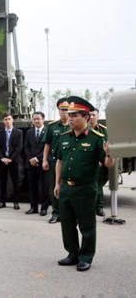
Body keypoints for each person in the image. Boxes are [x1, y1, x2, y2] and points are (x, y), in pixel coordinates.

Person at [54, 96, 114, 272]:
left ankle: (86, 257)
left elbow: (108, 164)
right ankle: (72, 254)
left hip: (85, 188)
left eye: (74, 115)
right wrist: (57, 184)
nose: (69, 118)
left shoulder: (97, 139)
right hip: (66, 187)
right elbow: (59, 162)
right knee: (67, 223)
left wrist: (110, 154)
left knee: (87, 225)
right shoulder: (64, 137)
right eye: (69, 114)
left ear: (86, 117)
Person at [42, 98, 70, 224]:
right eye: (62, 110)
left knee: (70, 188)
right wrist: (44, 160)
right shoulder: (53, 127)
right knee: (55, 187)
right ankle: (56, 213)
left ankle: (68, 214)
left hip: (70, 162)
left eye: (66, 110)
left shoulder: (74, 125)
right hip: (54, 162)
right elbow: (47, 144)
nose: (64, 112)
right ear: (58, 111)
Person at [0, 113, 23, 210]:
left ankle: (16, 202)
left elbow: (19, 147)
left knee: (15, 181)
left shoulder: (18, 132)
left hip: (13, 161)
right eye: (5, 119)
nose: (7, 121)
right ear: (3, 121)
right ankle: (2, 202)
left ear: (12, 120)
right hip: (3, 160)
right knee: (3, 181)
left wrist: (11, 159)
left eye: (9, 119)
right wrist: (2, 158)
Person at [24, 111, 49, 216]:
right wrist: (31, 159)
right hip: (31, 164)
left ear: (43, 119)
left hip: (43, 163)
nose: (36, 121)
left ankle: (44, 208)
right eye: (34, 119)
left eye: (38, 119)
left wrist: (37, 158)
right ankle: (33, 207)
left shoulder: (48, 131)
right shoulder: (29, 132)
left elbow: (48, 148)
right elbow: (26, 147)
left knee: (45, 187)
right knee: (32, 186)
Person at [89, 109, 108, 217]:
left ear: (98, 116)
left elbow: (106, 147)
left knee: (98, 186)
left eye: (93, 115)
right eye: (89, 115)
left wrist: (101, 160)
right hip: (86, 163)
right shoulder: (84, 129)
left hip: (99, 163)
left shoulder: (103, 130)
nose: (91, 117)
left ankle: (99, 207)